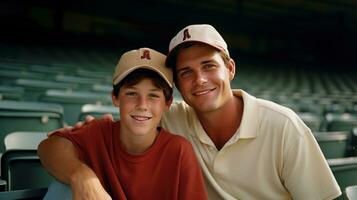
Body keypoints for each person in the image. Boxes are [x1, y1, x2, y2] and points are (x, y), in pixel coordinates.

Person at [42, 24, 342, 199]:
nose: (199, 80)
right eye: (186, 72)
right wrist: (81, 173)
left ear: (230, 68)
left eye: (209, 66)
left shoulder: (283, 126)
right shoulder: (167, 117)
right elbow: (54, 146)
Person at [38, 47, 208, 200]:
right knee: (61, 188)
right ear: (115, 98)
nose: (142, 105)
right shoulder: (99, 132)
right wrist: (81, 175)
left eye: (153, 95)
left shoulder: (179, 151)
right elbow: (49, 147)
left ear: (167, 103)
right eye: (132, 93)